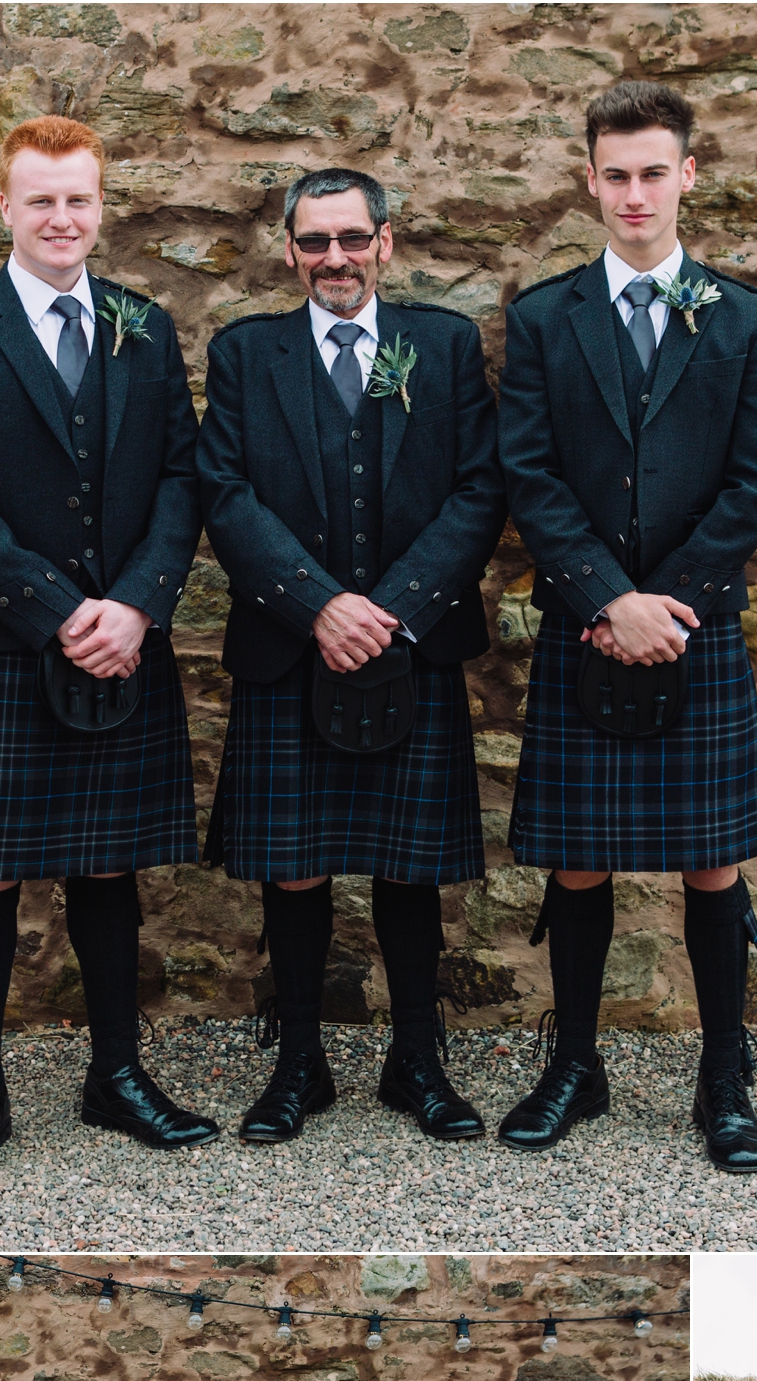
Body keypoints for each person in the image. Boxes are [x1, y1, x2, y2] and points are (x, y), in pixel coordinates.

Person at [0, 114, 216, 1185]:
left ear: (99, 203)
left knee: (107, 861)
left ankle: (114, 1075)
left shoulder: (143, 324)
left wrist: (133, 606)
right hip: (1, 641)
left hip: (124, 640)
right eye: (40, 199)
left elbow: (182, 478)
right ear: (4, 206)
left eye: (78, 198)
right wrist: (58, 610)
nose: (62, 218)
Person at [497, 80, 757, 1162]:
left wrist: (668, 605)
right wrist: (605, 598)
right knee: (577, 858)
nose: (633, 193)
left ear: (686, 176)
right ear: (589, 181)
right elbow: (526, 474)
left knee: (710, 860)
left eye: (652, 172)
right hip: (587, 621)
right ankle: (574, 1065)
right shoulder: (540, 317)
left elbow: (752, 485)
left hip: (694, 626)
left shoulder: (743, 317)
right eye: (614, 175)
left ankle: (723, 1076)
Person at [196, 168, 507, 1146]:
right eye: (313, 241)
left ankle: (416, 1062)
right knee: (292, 869)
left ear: (384, 242)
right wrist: (319, 606)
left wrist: (393, 609)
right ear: (288, 251)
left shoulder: (442, 345)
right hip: (291, 647)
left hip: (407, 647)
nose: (334, 258)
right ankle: (299, 1065)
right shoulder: (247, 353)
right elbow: (224, 494)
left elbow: (477, 489)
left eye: (351, 238)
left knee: (406, 869)